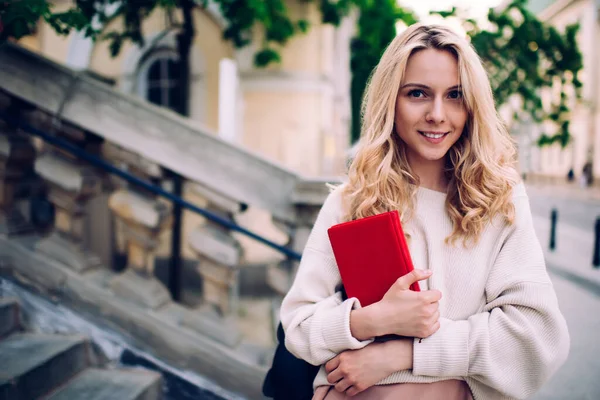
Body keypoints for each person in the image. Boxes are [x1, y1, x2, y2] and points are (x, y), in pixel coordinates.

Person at [279, 23, 570, 400]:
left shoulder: (500, 201)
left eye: (454, 95)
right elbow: (298, 326)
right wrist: (370, 321)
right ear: (390, 101)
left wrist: (404, 353)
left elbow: (537, 336)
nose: (437, 114)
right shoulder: (353, 200)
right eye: (417, 93)